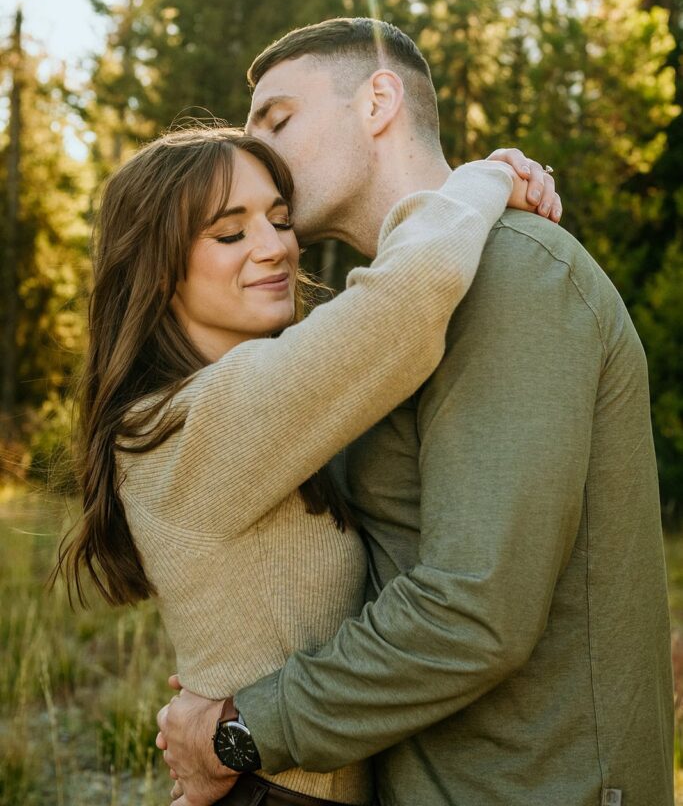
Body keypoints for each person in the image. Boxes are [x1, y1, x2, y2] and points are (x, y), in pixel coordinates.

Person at [158, 18, 674, 806]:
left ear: (377, 102)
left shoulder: (510, 273)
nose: (257, 151)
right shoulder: (380, 326)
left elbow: (472, 610)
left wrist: (242, 731)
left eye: (279, 121)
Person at [57, 121, 554, 806]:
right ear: (156, 265)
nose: (276, 247)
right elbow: (410, 296)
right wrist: (484, 176)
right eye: (230, 234)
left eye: (282, 220)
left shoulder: (243, 408)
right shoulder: (188, 423)